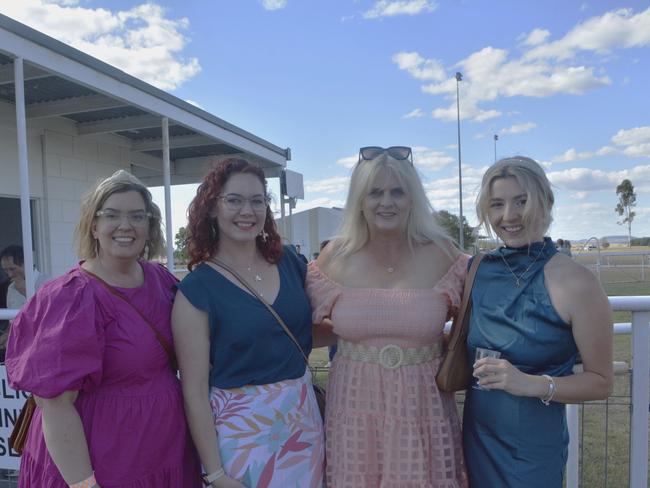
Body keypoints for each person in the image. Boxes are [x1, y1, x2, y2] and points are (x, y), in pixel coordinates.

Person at [5, 170, 201, 487]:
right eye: (112, 215)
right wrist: (85, 483)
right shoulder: (70, 297)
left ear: (150, 227)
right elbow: (55, 405)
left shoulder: (161, 280)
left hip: (163, 451)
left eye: (138, 216)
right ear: (94, 226)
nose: (126, 225)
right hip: (100, 463)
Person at [306, 145, 469, 487]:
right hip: (353, 411)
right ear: (359, 201)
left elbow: (476, 320)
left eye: (397, 192)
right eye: (375, 193)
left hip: (424, 410)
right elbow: (300, 326)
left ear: (412, 198)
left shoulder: (443, 253)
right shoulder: (335, 256)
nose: (386, 202)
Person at [172, 158, 324, 488]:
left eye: (257, 201)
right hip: (241, 437)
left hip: (304, 426)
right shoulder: (197, 290)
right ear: (212, 208)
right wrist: (215, 473)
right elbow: (194, 391)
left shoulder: (290, 264)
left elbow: (311, 331)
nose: (248, 211)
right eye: (234, 200)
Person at [463, 156, 613, 487]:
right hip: (475, 439)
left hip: (531, 451)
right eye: (497, 204)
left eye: (521, 201)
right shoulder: (476, 270)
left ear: (546, 201)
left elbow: (602, 381)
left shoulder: (577, 281)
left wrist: (531, 384)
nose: (509, 216)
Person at [0, 245, 49, 309]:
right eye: (5, 270)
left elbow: (51, 312)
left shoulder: (48, 283)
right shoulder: (11, 287)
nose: (9, 275)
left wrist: (26, 292)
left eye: (13, 269)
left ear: (26, 263)